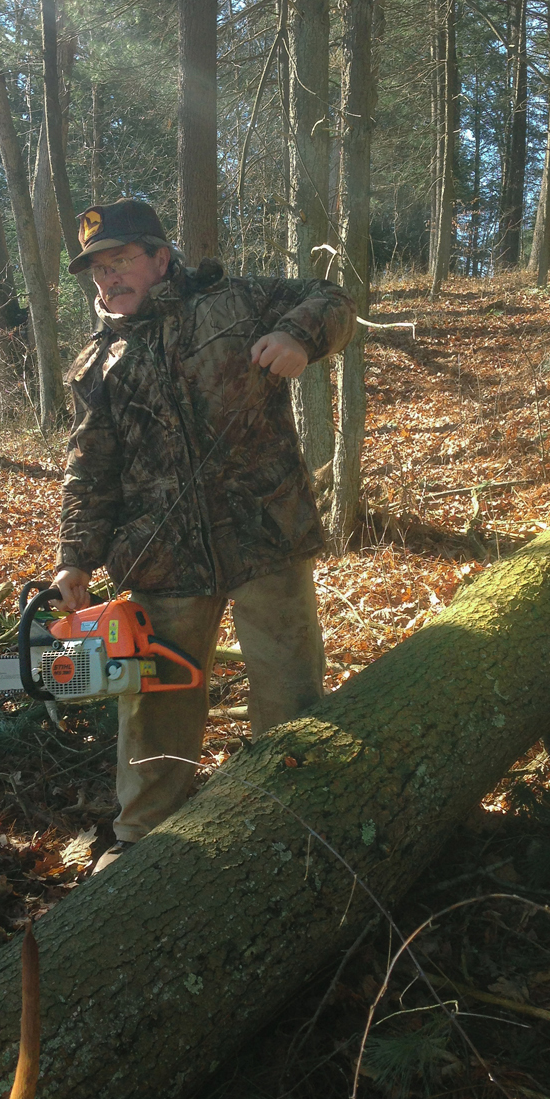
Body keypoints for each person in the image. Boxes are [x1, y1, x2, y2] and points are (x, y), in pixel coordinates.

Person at [52, 198, 355, 871]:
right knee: (155, 708)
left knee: (291, 691)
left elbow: (333, 297)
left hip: (264, 535)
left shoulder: (236, 302)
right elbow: (88, 470)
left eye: (121, 261)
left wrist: (301, 337)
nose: (108, 281)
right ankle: (141, 844)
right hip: (159, 562)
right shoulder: (96, 364)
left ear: (161, 258)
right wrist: (74, 557)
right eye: (98, 271)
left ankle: (294, 819)